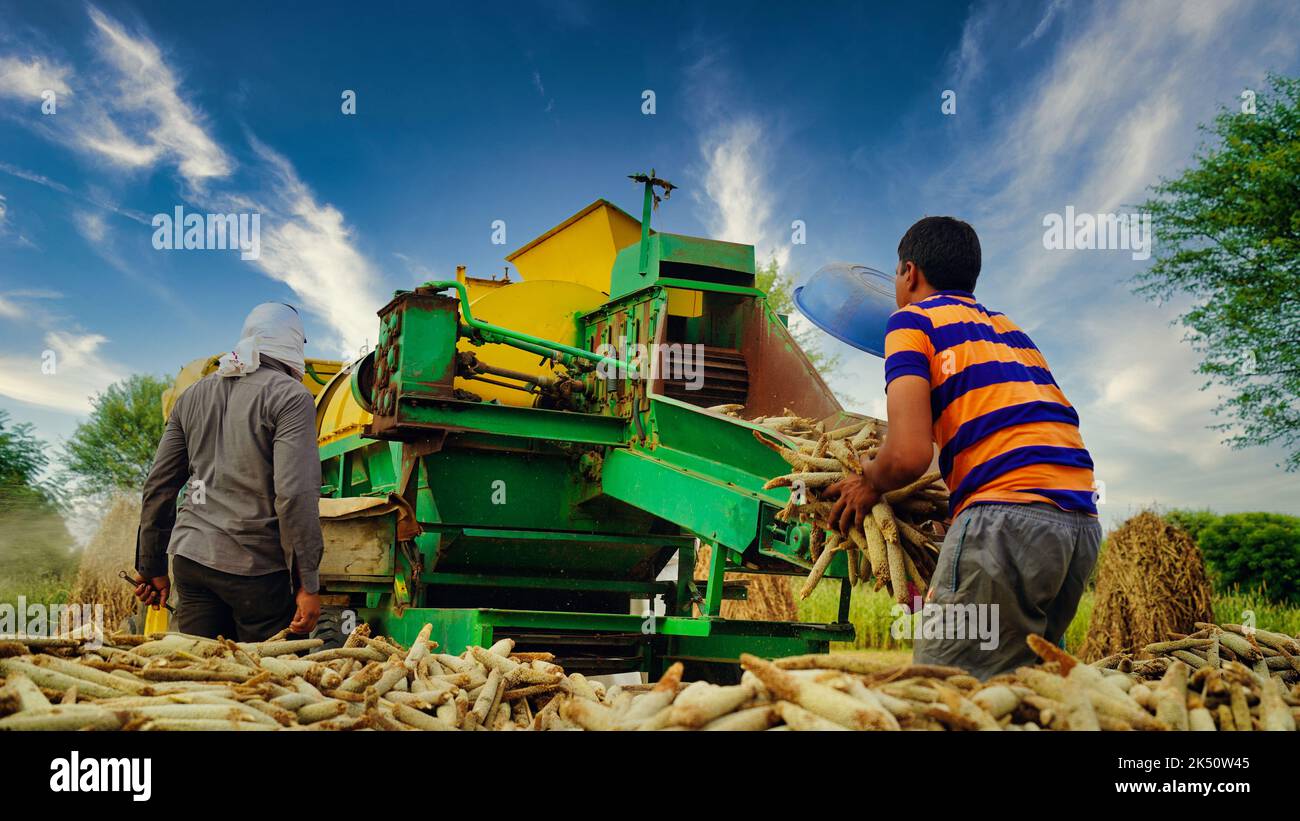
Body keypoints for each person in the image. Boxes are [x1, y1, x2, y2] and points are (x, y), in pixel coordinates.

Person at [825, 217, 1100, 679]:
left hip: (1005, 520)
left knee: (943, 693)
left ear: (908, 273)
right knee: (1022, 692)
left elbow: (909, 455)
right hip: (1078, 528)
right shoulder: (1009, 331)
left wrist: (869, 482)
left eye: (895, 273)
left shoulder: (911, 321)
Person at [134, 302, 324, 641]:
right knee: (268, 685)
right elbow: (294, 494)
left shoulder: (191, 397)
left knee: (199, 674)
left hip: (192, 562)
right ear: (294, 343)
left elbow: (159, 486)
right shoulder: (292, 397)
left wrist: (152, 568)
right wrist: (308, 583)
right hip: (257, 573)